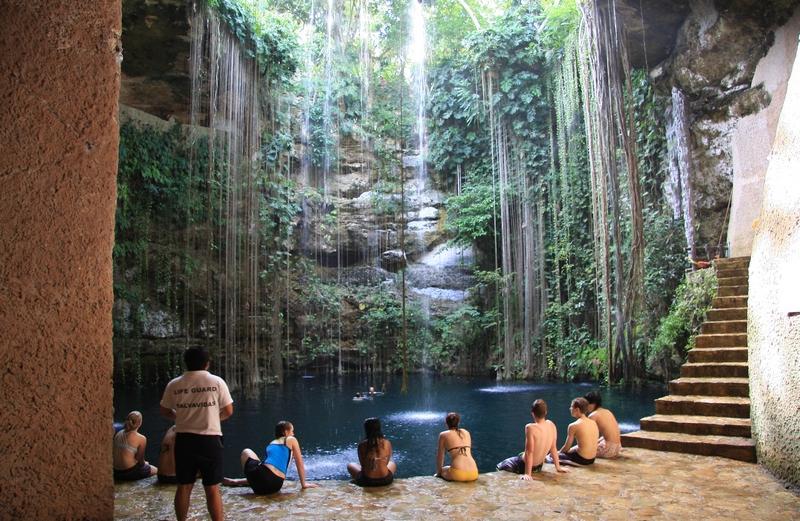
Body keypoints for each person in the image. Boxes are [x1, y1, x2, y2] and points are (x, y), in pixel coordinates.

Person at [160, 347, 234, 521]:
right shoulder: (217, 382)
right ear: (207, 363)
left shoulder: (175, 384)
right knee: (212, 487)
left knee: (184, 486)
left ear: (185, 363)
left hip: (185, 439)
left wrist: (178, 418)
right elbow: (229, 410)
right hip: (210, 439)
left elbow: (164, 410)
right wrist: (213, 419)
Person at [223, 421, 318, 494]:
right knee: (264, 470)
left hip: (258, 487)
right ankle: (236, 481)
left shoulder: (271, 444)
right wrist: (304, 484)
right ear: (286, 432)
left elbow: (267, 472)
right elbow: (299, 462)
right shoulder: (291, 439)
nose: (293, 434)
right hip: (275, 485)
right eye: (292, 431)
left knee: (246, 452)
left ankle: (235, 481)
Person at [497, 399, 567, 479]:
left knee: (500, 466)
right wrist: (558, 467)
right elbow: (553, 448)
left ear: (533, 414)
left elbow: (529, 452)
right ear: (546, 412)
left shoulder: (530, 427)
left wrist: (528, 474)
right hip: (538, 467)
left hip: (522, 465)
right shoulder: (551, 425)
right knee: (521, 454)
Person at [347, 417, 396, 487]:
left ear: (366, 429)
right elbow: (386, 463)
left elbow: (363, 466)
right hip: (386, 480)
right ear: (379, 428)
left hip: (367, 481)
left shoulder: (362, 445)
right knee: (392, 463)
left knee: (350, 465)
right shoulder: (387, 443)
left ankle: (356, 481)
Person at [113, 410, 158, 481]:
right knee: (156, 470)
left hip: (115, 472)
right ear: (140, 423)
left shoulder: (118, 433)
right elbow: (140, 460)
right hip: (129, 472)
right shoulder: (141, 438)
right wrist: (145, 464)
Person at [435, 412, 478, 482]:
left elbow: (440, 456)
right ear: (458, 422)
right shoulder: (466, 432)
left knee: (444, 469)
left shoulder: (443, 435)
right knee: (448, 468)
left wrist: (439, 473)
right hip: (474, 472)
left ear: (446, 423)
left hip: (458, 474)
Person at [557, 397, 599, 466]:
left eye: (571, 407)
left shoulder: (573, 425)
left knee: (551, 456)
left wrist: (558, 454)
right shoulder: (593, 422)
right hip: (592, 459)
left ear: (577, 409)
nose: (570, 409)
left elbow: (566, 447)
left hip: (582, 459)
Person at [584, 391, 622, 459]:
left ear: (593, 404)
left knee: (578, 449)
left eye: (587, 404)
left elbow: (588, 437)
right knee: (600, 439)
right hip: (617, 448)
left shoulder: (593, 415)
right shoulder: (607, 411)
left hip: (608, 451)